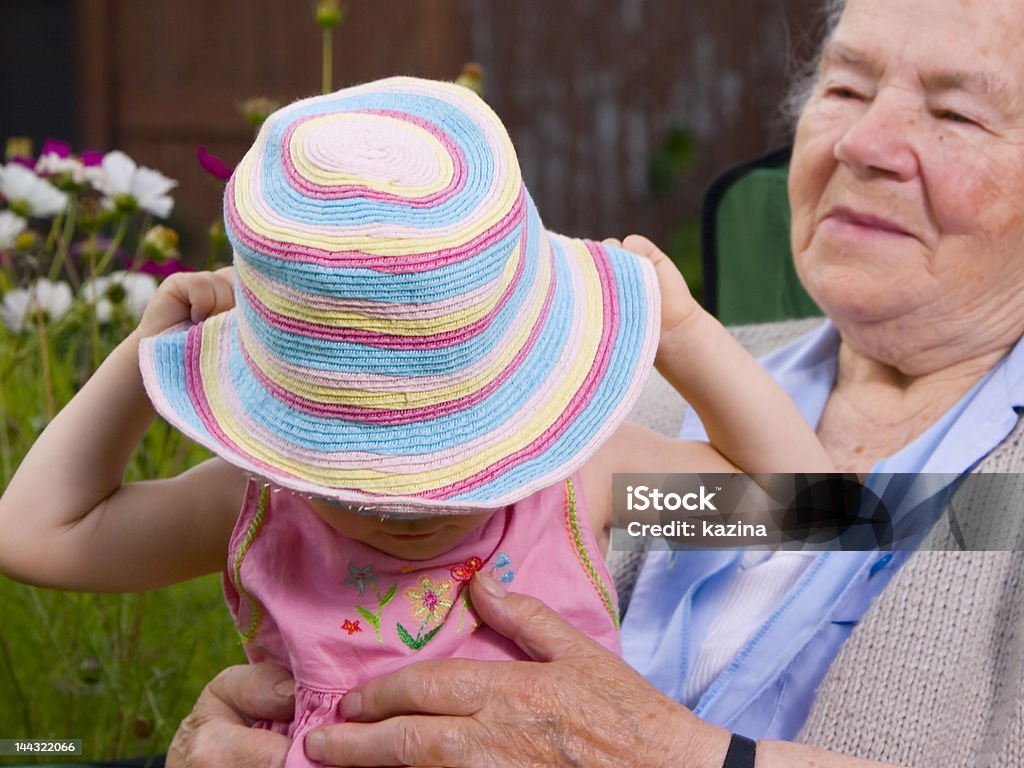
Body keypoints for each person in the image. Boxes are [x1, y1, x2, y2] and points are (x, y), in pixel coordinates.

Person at [163, 0, 1024, 765]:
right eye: (844, 90)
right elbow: (798, 508)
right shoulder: (589, 404)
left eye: (956, 113)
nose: (861, 143)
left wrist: (678, 757)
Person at [0, 78, 833, 768]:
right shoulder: (264, 502)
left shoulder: (576, 482)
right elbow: (36, 534)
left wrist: (680, 336)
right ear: (285, 446)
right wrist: (145, 366)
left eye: (453, 472)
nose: (407, 507)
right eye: (360, 483)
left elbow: (815, 510)